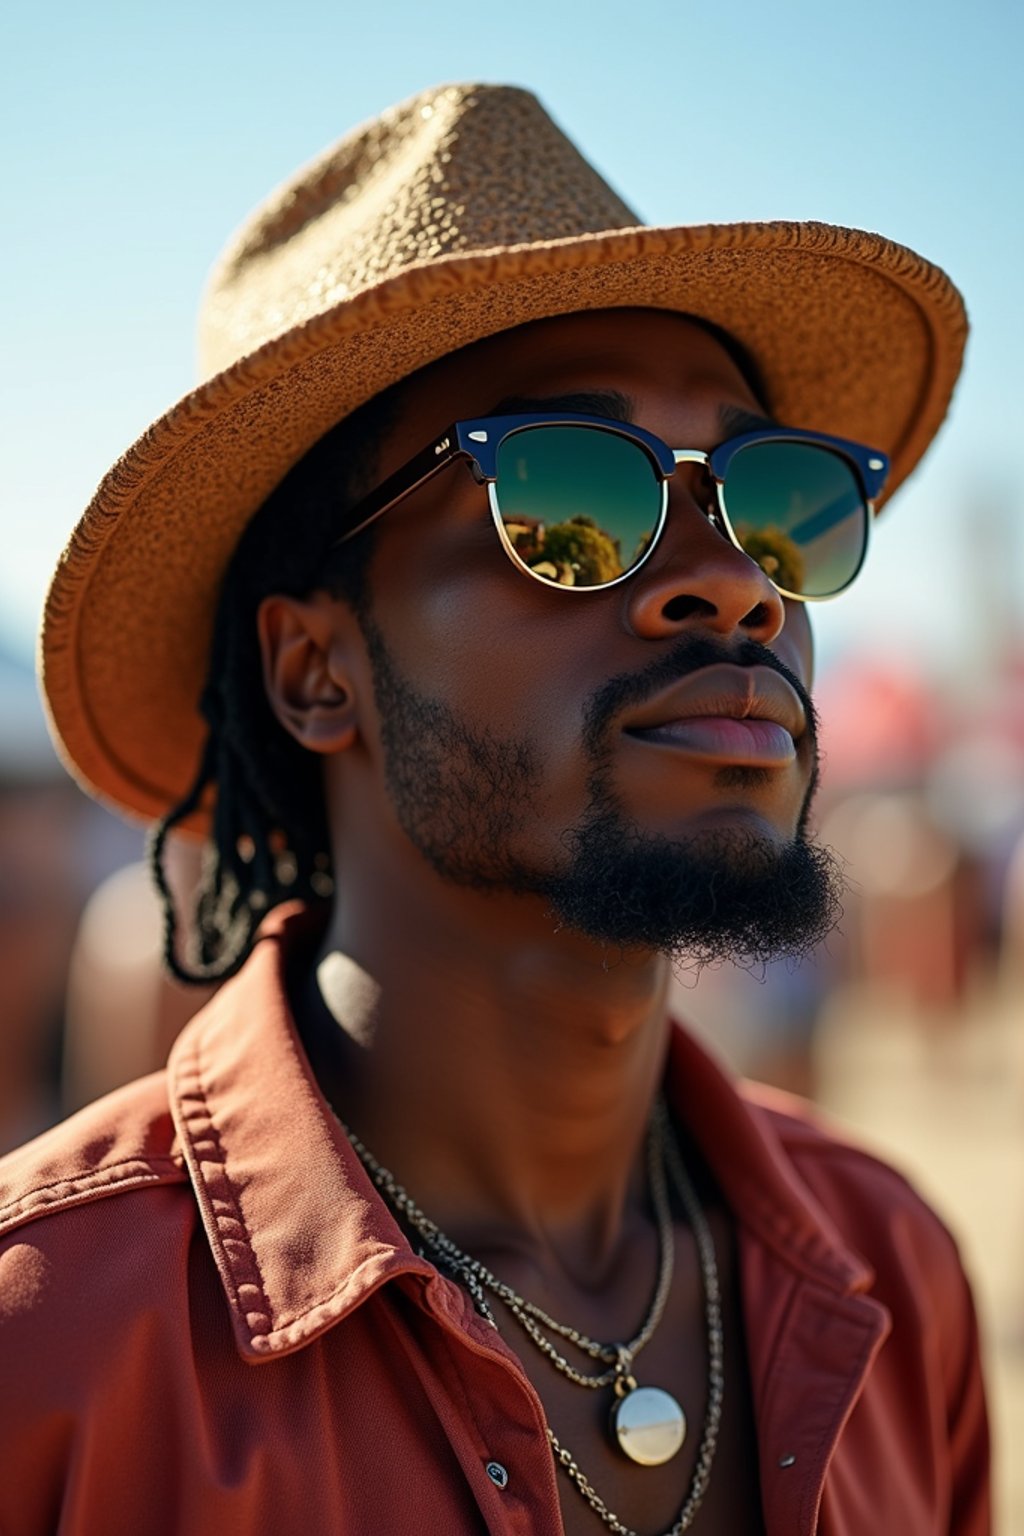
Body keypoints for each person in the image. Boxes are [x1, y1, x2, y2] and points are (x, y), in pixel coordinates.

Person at [0, 84, 989, 1535]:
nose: (732, 580)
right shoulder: (50, 1343)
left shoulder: (894, 1271)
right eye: (570, 496)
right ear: (314, 669)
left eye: (775, 501)